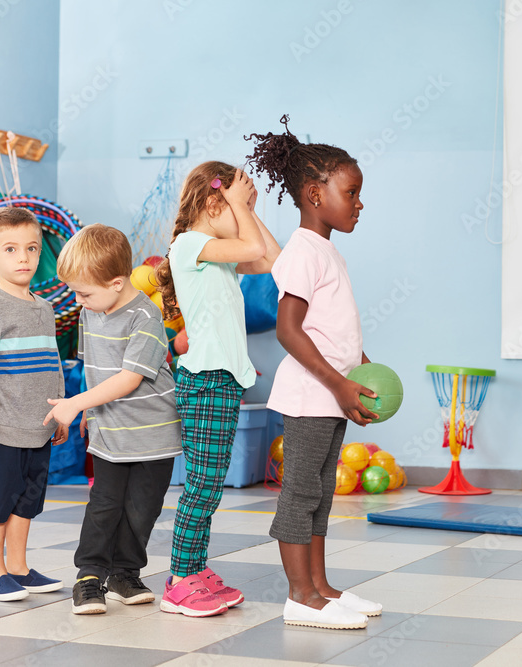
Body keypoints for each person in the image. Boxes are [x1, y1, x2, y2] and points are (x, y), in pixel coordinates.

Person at [246, 116, 382, 630]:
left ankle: (321, 587)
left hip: (329, 396)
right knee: (300, 494)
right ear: (314, 194)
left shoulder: (328, 251)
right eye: (352, 192)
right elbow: (289, 330)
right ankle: (300, 595)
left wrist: (360, 370)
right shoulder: (304, 251)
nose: (360, 203)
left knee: (322, 494)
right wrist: (338, 382)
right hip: (309, 397)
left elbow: (333, 327)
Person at [153, 161, 281, 617]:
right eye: (236, 207)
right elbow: (252, 246)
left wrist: (242, 205)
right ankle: (180, 579)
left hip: (222, 380)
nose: (244, 214)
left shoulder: (214, 252)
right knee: (203, 486)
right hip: (204, 379)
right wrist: (238, 202)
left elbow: (269, 258)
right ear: (213, 203)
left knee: (210, 486)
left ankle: (195, 569)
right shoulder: (191, 245)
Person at [46, 224, 182, 615]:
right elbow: (94, 365)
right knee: (104, 504)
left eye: (84, 293)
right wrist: (89, 409)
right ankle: (89, 576)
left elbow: (129, 378)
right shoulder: (93, 310)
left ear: (118, 282)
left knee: (143, 508)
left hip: (153, 434)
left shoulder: (146, 316)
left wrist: (74, 403)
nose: (79, 300)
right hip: (110, 431)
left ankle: (125, 573)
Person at [0, 206, 66, 601]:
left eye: (31, 248)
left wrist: (60, 409)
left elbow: (52, 363)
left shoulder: (45, 307)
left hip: (38, 426)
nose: (23, 257)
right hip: (1, 427)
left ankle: (19, 568)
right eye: (10, 249)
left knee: (27, 502)